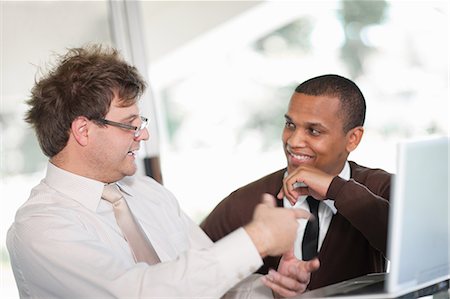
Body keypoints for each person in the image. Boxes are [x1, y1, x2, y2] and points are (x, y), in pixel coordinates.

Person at [6, 45, 319, 298]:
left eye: (141, 124)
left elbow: (214, 284)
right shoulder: (39, 227)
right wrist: (258, 238)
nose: (143, 135)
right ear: (84, 131)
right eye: (130, 125)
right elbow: (138, 292)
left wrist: (272, 289)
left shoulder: (148, 193)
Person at [201, 74, 392, 290]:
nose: (293, 141)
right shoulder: (242, 204)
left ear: (353, 138)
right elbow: (192, 279)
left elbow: (419, 252)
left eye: (313, 131)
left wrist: (336, 189)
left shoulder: (382, 188)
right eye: (290, 125)